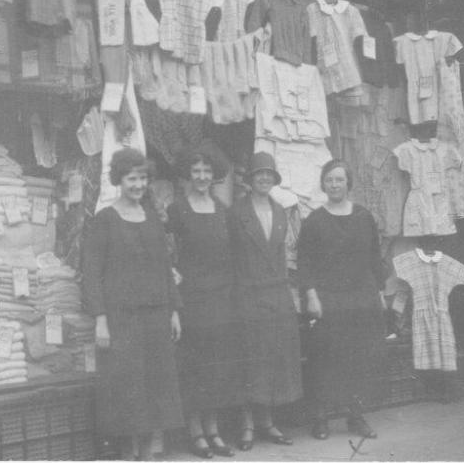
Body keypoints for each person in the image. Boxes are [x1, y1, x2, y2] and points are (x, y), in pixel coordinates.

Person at [81, 148, 184, 460]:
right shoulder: (104, 220)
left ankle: (149, 451)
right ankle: (130, 452)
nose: (138, 185)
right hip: (122, 319)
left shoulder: (152, 218)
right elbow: (92, 273)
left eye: (142, 178)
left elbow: (165, 268)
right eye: (131, 178)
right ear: (118, 180)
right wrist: (100, 319)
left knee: (156, 383)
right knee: (129, 388)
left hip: (155, 315)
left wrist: (174, 311)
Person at [297, 159, 386, 441]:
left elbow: (375, 257)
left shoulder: (363, 216)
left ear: (348, 183)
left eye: (339, 180)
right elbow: (305, 263)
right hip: (329, 299)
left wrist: (380, 293)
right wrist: (311, 296)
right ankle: (321, 417)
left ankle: (355, 415)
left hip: (362, 297)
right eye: (330, 180)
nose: (334, 185)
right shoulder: (314, 220)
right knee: (325, 358)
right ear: (323, 184)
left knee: (358, 357)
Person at [165, 145, 240, 458]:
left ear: (214, 175)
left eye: (207, 171)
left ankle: (214, 430)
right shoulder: (177, 209)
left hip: (221, 298)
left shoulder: (223, 208)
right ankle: (196, 433)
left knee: (217, 367)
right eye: (196, 171)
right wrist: (173, 274)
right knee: (194, 367)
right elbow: (167, 252)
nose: (201, 177)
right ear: (188, 174)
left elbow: (232, 254)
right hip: (192, 299)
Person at [228, 151, 302, 451]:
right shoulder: (235, 212)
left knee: (274, 360)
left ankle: (267, 421)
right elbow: (229, 258)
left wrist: (290, 295)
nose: (264, 178)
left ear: (274, 179)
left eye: (268, 174)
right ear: (250, 178)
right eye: (259, 173)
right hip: (248, 293)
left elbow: (282, 259)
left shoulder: (281, 211)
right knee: (250, 360)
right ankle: (247, 425)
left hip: (277, 293)